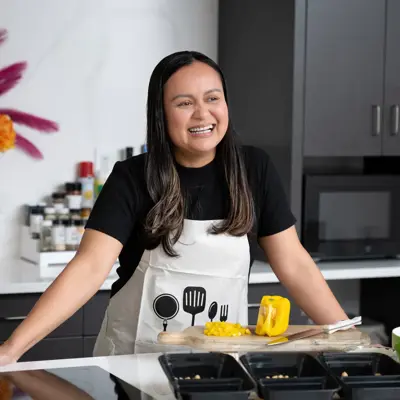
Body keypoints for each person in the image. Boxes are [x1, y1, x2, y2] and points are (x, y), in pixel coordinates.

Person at [0, 51, 349, 365]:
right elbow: (90, 267)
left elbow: (294, 263)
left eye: (213, 98)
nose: (203, 113)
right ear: (161, 113)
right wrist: (11, 349)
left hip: (223, 368)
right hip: (134, 363)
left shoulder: (253, 168)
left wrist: (345, 338)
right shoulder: (133, 177)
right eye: (184, 103)